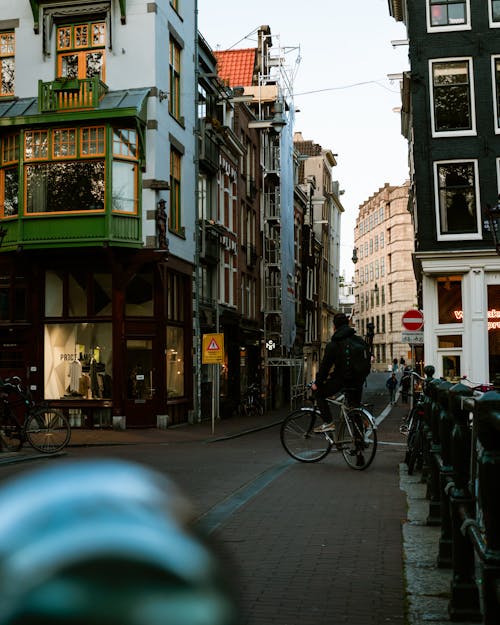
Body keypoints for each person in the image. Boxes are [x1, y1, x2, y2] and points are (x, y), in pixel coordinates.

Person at [311, 312, 369, 432]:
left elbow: (325, 367)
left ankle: (328, 422)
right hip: (358, 380)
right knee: (354, 408)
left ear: (334, 326)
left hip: (342, 379)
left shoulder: (334, 344)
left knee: (319, 394)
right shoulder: (359, 340)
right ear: (348, 324)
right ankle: (359, 442)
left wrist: (317, 383)